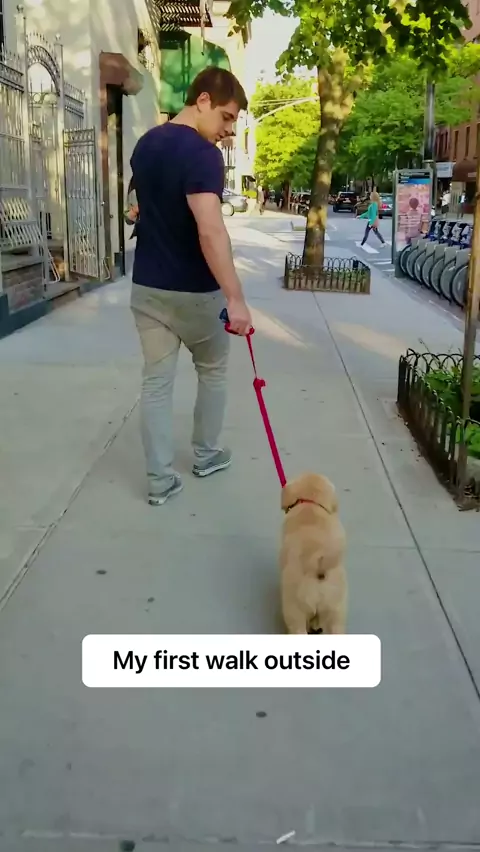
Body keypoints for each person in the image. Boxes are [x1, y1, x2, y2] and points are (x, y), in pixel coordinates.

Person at [129, 67, 252, 506]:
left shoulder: (145, 145)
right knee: (212, 372)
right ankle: (207, 454)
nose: (228, 130)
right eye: (226, 116)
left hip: (148, 288)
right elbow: (210, 230)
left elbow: (138, 207)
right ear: (202, 101)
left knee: (156, 384)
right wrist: (236, 298)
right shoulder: (202, 155)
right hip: (197, 293)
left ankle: (159, 480)